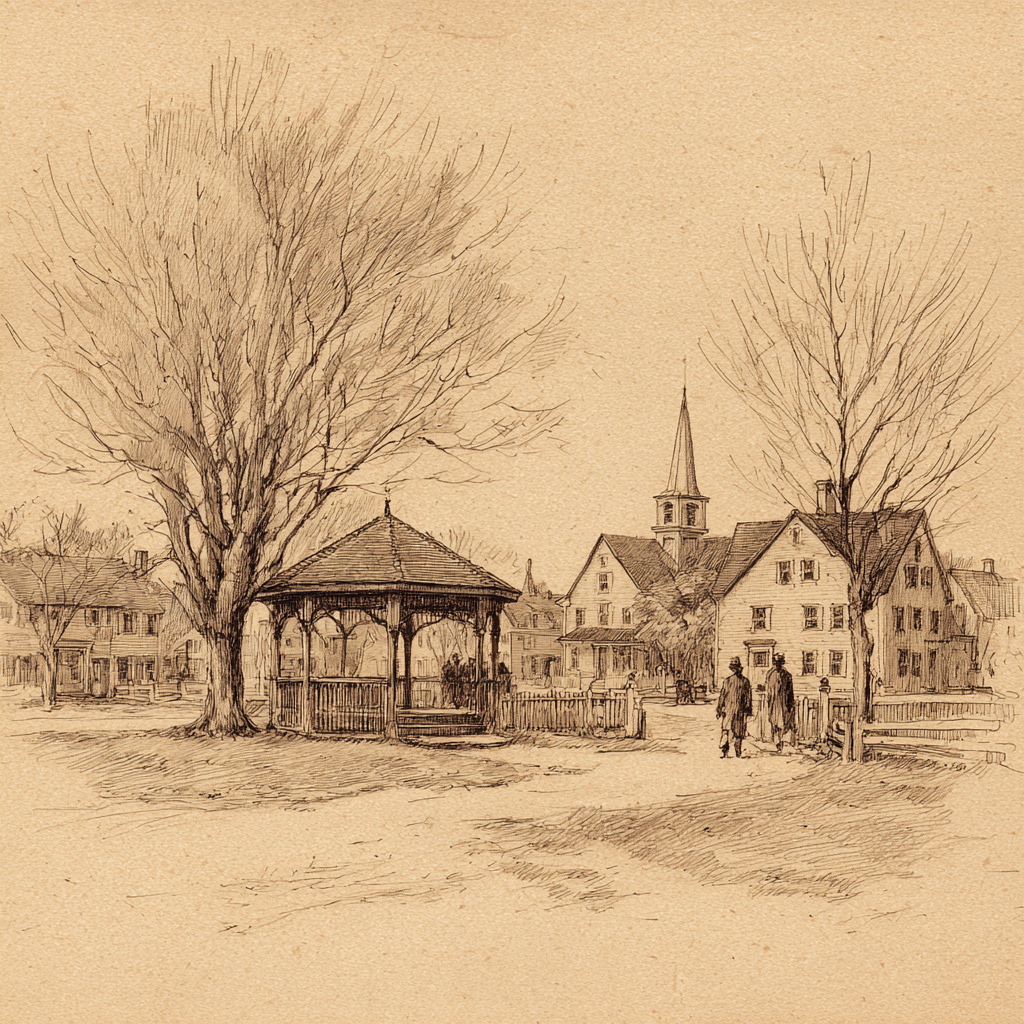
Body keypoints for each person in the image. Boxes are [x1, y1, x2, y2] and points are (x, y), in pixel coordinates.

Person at [716, 656, 753, 758]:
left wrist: (748, 709)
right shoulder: (727, 681)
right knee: (726, 731)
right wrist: (719, 708)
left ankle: (738, 752)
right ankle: (724, 751)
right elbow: (722, 696)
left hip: (739, 711)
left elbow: (748, 697)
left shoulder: (745, 681)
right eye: (734, 668)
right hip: (728, 710)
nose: (735, 670)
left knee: (738, 732)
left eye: (736, 668)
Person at [764, 652, 796, 752]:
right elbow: (767, 687)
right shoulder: (770, 674)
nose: (777, 665)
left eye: (779, 663)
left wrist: (790, 703)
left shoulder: (787, 675)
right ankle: (777, 740)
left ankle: (780, 742)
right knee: (774, 722)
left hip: (783, 702)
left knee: (782, 723)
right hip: (773, 702)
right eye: (776, 663)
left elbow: (790, 691)